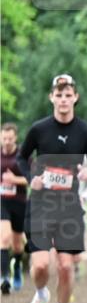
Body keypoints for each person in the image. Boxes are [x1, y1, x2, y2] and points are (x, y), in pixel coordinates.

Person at [17, 74, 87, 303]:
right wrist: (33, 179)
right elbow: (21, 158)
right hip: (41, 205)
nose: (63, 100)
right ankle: (41, 294)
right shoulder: (39, 129)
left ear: (75, 97)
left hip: (69, 206)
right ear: (51, 97)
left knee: (66, 266)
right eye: (59, 94)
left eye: (68, 95)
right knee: (41, 266)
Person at [1, 123, 28, 294]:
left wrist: (14, 179)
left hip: (19, 202)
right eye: (4, 138)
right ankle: (4, 278)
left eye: (10, 138)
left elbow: (32, 178)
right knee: (4, 238)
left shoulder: (22, 155)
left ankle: (17, 266)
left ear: (15, 138)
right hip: (2, 201)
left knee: (17, 245)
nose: (7, 141)